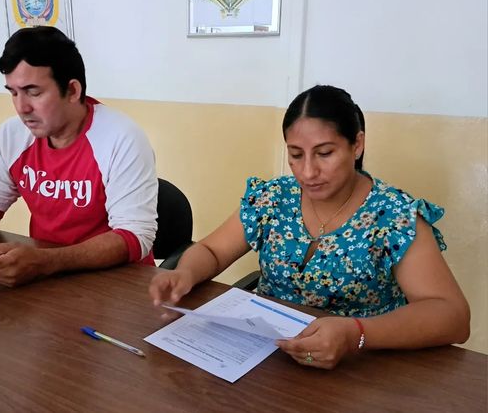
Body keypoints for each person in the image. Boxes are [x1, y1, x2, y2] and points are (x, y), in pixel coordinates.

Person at [149, 85, 470, 369]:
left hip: (362, 368)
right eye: (295, 155)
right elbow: (211, 250)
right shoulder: (274, 198)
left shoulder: (393, 215)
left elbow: (451, 315)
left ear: (357, 144)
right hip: (267, 358)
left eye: (324, 153)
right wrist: (184, 273)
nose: (308, 171)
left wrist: (357, 334)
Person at [0, 26, 158, 287]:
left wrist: (46, 261)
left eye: (34, 92)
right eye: (13, 92)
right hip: (45, 280)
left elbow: (133, 237)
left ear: (73, 90)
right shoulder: (13, 135)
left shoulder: (121, 138)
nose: (22, 107)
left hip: (119, 285)